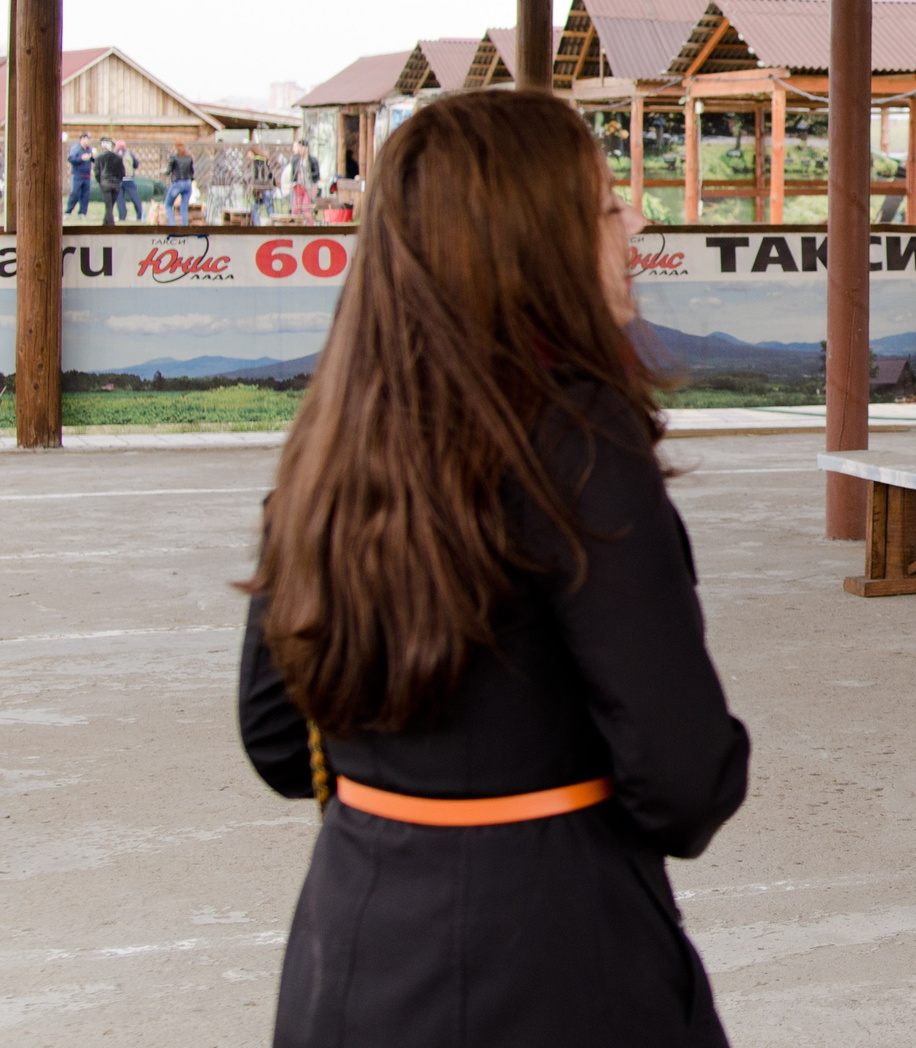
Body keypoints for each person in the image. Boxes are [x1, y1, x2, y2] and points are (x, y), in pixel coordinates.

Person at [236, 88, 750, 1048]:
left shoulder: (332, 436)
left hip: (348, 951)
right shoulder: (579, 437)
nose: (636, 221)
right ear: (534, 244)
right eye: (605, 205)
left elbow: (276, 737)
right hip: (552, 960)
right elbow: (683, 778)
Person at [95, 137, 131, 223]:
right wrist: (118, 181)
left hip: (105, 184)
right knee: (110, 206)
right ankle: (105, 224)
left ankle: (111, 225)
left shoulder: (100, 157)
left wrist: (100, 182)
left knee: (109, 207)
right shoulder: (118, 158)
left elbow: (97, 172)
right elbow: (122, 172)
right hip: (116, 185)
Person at [167, 140, 196, 228]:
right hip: (187, 183)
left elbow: (168, 170)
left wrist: (163, 172)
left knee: (168, 204)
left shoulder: (174, 157)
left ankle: (172, 225)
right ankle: (185, 226)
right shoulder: (189, 157)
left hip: (178, 183)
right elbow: (192, 172)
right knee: (184, 207)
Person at [66, 134, 93, 220]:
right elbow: (71, 159)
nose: (88, 141)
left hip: (87, 176)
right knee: (75, 194)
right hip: (77, 175)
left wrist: (92, 156)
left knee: (85, 195)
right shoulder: (76, 148)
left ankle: (82, 213)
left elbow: (93, 160)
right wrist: (81, 158)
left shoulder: (89, 149)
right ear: (82, 139)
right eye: (87, 139)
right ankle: (68, 212)